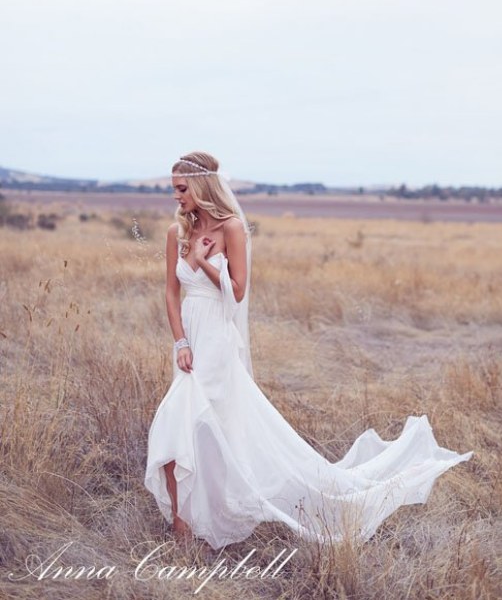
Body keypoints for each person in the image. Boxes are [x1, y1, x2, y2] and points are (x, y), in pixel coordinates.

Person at [144, 151, 474, 550]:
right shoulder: (174, 233)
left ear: (201, 186)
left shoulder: (231, 228)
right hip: (189, 345)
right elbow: (170, 291)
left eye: (181, 189)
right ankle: (184, 526)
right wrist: (179, 341)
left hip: (216, 341)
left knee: (212, 430)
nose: (175, 196)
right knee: (176, 430)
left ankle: (210, 515)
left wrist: (204, 261)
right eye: (173, 189)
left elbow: (238, 292)